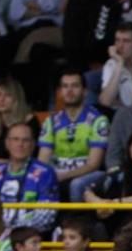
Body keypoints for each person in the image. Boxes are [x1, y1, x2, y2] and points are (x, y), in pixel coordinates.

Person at [37, 69, 111, 203]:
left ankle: (78, 221)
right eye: (65, 86)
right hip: (58, 174)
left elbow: (93, 164)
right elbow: (43, 161)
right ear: (59, 93)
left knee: (76, 185)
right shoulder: (51, 121)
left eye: (75, 86)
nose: (69, 91)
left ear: (85, 91)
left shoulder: (98, 121)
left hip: (88, 174)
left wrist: (63, 176)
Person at [0, 122, 59, 234]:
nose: (20, 144)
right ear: (7, 143)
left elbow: (47, 216)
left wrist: (12, 230)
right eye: (15, 139)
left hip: (26, 238)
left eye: (25, 140)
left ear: (33, 145)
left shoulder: (45, 173)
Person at [0, 77, 40, 162]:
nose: (1, 99)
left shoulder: (29, 122)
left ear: (16, 99)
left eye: (7, 95)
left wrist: (0, 161)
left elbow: (33, 155)